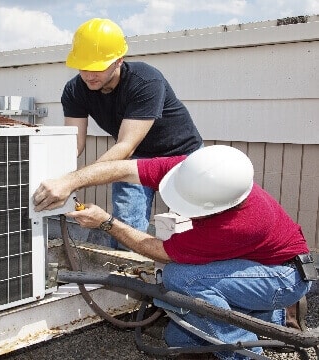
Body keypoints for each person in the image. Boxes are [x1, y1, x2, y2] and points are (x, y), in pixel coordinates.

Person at [33, 145, 315, 360]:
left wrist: (107, 222)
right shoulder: (194, 169)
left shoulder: (240, 224)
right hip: (256, 264)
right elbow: (122, 168)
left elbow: (159, 251)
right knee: (178, 337)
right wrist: (69, 181)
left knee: (182, 278)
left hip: (283, 276)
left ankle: (244, 352)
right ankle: (278, 320)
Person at [62, 18, 203, 249]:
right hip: (135, 160)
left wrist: (74, 181)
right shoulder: (75, 90)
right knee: (126, 226)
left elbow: (126, 145)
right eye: (83, 66)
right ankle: (129, 277)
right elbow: (73, 144)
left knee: (190, 227)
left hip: (182, 157)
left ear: (119, 60)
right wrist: (58, 178)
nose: (89, 75)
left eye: (97, 67)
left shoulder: (145, 80)